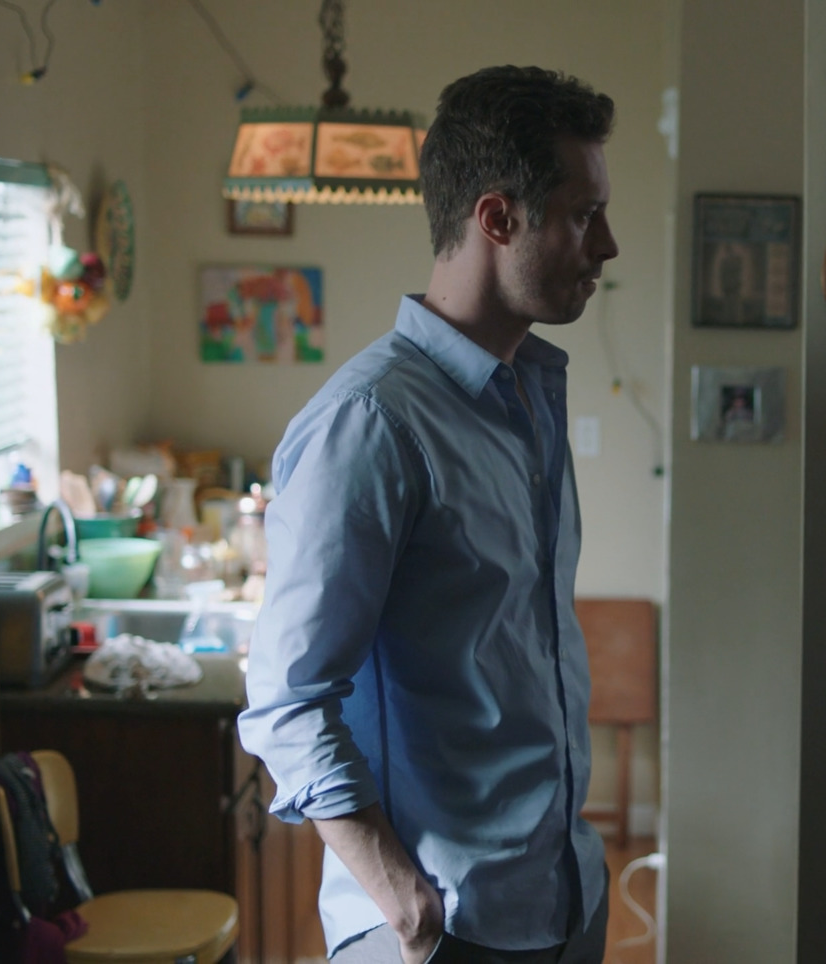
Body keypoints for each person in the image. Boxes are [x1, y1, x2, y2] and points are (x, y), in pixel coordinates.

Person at [238, 65, 620, 964]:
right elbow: (287, 698)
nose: (606, 245)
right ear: (497, 218)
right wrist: (402, 901)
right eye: (581, 214)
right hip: (444, 926)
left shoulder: (531, 394)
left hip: (561, 897)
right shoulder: (370, 423)